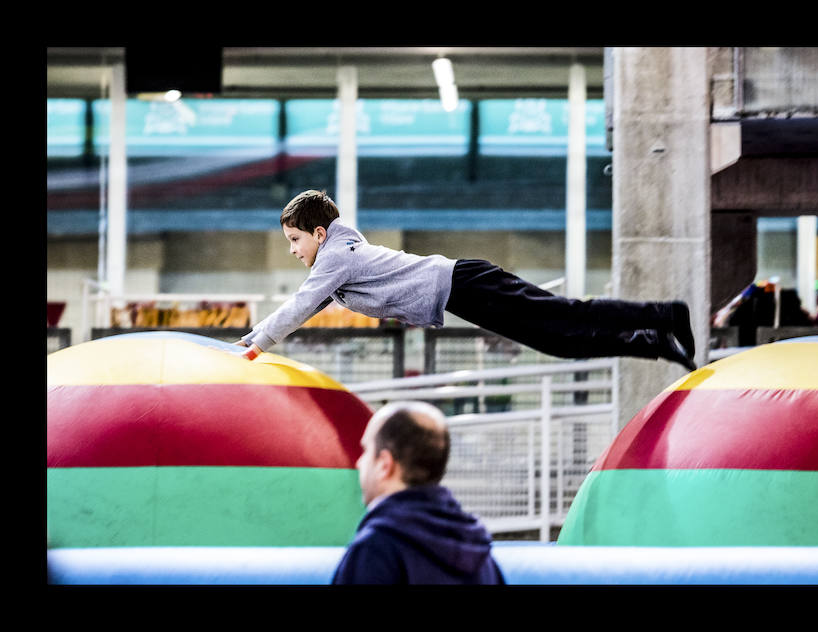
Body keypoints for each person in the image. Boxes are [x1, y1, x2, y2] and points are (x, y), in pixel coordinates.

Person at [234, 189, 696, 370]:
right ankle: (653, 342)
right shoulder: (336, 260)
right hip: (463, 293)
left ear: (318, 233)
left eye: (294, 240)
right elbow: (305, 308)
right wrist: (249, 339)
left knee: (566, 317)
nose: (294, 252)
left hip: (466, 283)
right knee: (561, 343)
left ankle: (664, 315)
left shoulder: (334, 256)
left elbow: (297, 305)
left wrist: (254, 348)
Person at [331, 401, 506, 585]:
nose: (359, 463)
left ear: (384, 464)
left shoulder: (376, 549)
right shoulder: (480, 554)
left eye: (366, 450)